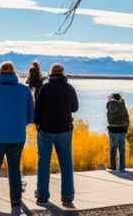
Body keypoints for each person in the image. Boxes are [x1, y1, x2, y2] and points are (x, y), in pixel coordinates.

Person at [0, 61, 34, 210]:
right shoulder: (24, 90)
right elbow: (31, 116)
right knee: (14, 168)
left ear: (0, 73)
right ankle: (15, 199)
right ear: (13, 72)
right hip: (18, 137)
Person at [33, 63, 79, 207]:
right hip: (64, 129)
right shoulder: (69, 88)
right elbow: (75, 107)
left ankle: (42, 196)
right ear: (63, 73)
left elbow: (37, 108)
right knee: (66, 163)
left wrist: (38, 124)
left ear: (51, 73)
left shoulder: (46, 88)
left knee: (44, 162)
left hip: (46, 130)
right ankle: (67, 196)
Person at [106, 93, 129, 171]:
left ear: (113, 98)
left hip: (113, 129)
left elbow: (108, 109)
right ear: (119, 98)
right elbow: (127, 117)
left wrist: (109, 100)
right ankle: (122, 167)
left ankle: (113, 167)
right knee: (122, 149)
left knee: (113, 149)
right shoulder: (122, 106)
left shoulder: (110, 105)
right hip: (123, 129)